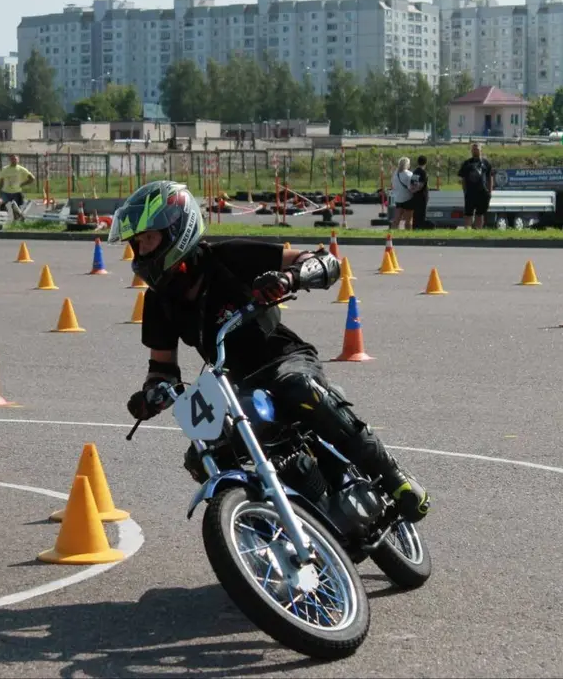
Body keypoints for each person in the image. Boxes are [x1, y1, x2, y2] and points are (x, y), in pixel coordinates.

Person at [107, 180, 431, 523]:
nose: (141, 252)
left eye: (148, 240)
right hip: (236, 388)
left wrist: (288, 278)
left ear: (176, 232)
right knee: (202, 457)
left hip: (284, 358)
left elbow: (321, 261)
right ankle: (270, 529)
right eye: (137, 244)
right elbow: (162, 367)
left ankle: (395, 479)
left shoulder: (227, 258)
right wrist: (151, 394)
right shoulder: (158, 302)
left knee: (298, 388)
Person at [457, 143, 494, 229]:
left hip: (482, 192)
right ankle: (468, 230)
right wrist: (465, 191)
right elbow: (463, 179)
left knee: (480, 213)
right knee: (468, 213)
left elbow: (490, 177)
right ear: (471, 151)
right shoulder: (467, 163)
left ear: (481, 150)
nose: (475, 151)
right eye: (473, 149)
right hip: (470, 193)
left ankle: (478, 230)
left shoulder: (485, 163)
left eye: (477, 149)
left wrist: (490, 192)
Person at [390, 157, 415, 230]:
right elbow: (411, 188)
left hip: (398, 199)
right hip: (408, 199)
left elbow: (392, 185)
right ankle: (408, 236)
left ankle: (394, 235)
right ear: (407, 165)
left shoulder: (395, 173)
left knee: (396, 220)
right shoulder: (409, 174)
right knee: (408, 221)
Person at [410, 155, 430, 230]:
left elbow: (413, 184)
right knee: (422, 213)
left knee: (416, 214)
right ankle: (421, 227)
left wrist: (413, 191)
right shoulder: (423, 172)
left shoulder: (415, 172)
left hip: (415, 196)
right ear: (425, 163)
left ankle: (415, 227)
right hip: (422, 196)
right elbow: (421, 185)